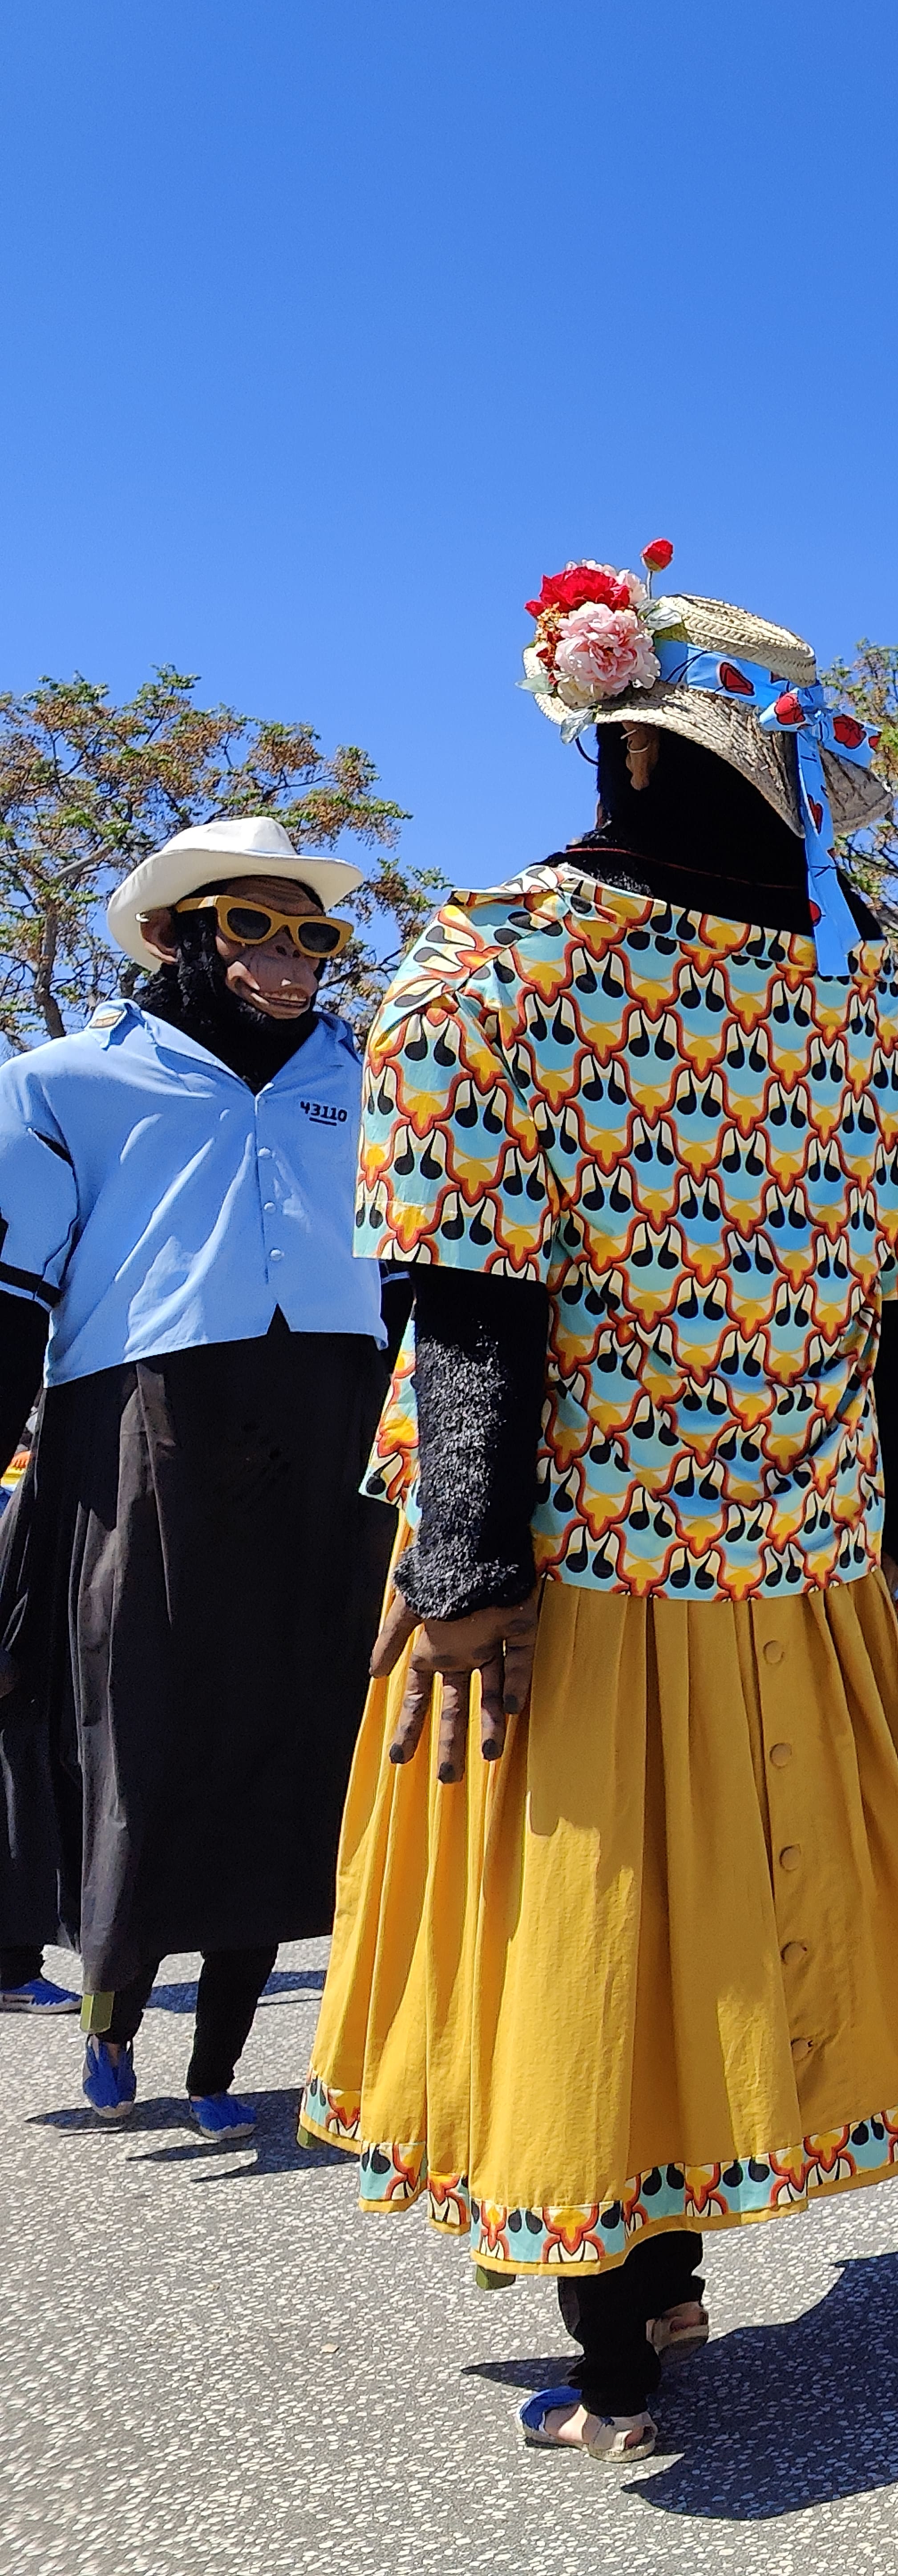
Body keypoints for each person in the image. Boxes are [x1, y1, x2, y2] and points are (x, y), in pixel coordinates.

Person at [305, 553, 898, 2457]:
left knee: (590, 1926)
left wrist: (461, 1565)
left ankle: (618, 2352)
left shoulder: (501, 960)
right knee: (728, 1913)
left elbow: (476, 1290)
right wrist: (879, 1557)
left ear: (614, 759)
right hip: (787, 1560)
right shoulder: (881, 1018)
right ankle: (676, 2268)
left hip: (577, 1553)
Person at [0, 817, 398, 2141]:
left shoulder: (382, 1074)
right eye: (254, 927)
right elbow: (11, 1294)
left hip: (335, 1415)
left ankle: (223, 2062)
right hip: (148, 1418)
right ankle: (113, 2017)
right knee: (148, 1711)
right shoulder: (63, 1080)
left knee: (298, 1721)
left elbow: (423, 1274)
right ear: (178, 935)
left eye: (314, 934)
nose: (290, 958)